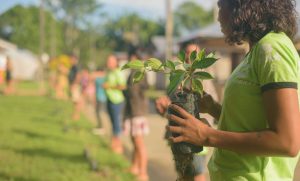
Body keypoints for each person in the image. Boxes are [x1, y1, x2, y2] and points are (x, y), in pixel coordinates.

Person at [166, 0, 300, 180]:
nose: (219, 17)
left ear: (242, 6)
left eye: (221, 7)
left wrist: (206, 135)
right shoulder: (256, 51)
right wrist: (213, 108)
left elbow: (287, 142)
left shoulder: (272, 48)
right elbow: (250, 124)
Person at [156, 44, 218, 181]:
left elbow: (209, 106)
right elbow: (172, 106)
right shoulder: (177, 77)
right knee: (184, 174)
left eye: (194, 53)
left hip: (195, 135)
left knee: (197, 174)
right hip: (178, 136)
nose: (190, 57)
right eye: (188, 53)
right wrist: (163, 109)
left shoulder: (202, 79)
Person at [123, 52, 149, 181]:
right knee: (134, 140)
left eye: (132, 58)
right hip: (133, 111)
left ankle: (143, 173)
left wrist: (124, 90)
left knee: (139, 142)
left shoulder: (138, 73)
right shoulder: (136, 72)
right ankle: (135, 167)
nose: (130, 60)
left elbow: (133, 92)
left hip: (137, 112)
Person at [103, 55, 126, 154]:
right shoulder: (109, 72)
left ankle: (119, 146)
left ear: (115, 62)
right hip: (110, 99)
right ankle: (114, 143)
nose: (108, 63)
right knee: (113, 123)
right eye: (108, 61)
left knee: (117, 123)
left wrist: (110, 86)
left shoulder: (118, 72)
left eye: (110, 61)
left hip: (117, 101)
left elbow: (122, 86)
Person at [92, 67, 107, 135]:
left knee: (100, 113)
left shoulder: (104, 79)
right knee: (97, 112)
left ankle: (102, 128)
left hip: (102, 98)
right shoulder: (98, 79)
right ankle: (100, 126)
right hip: (98, 97)